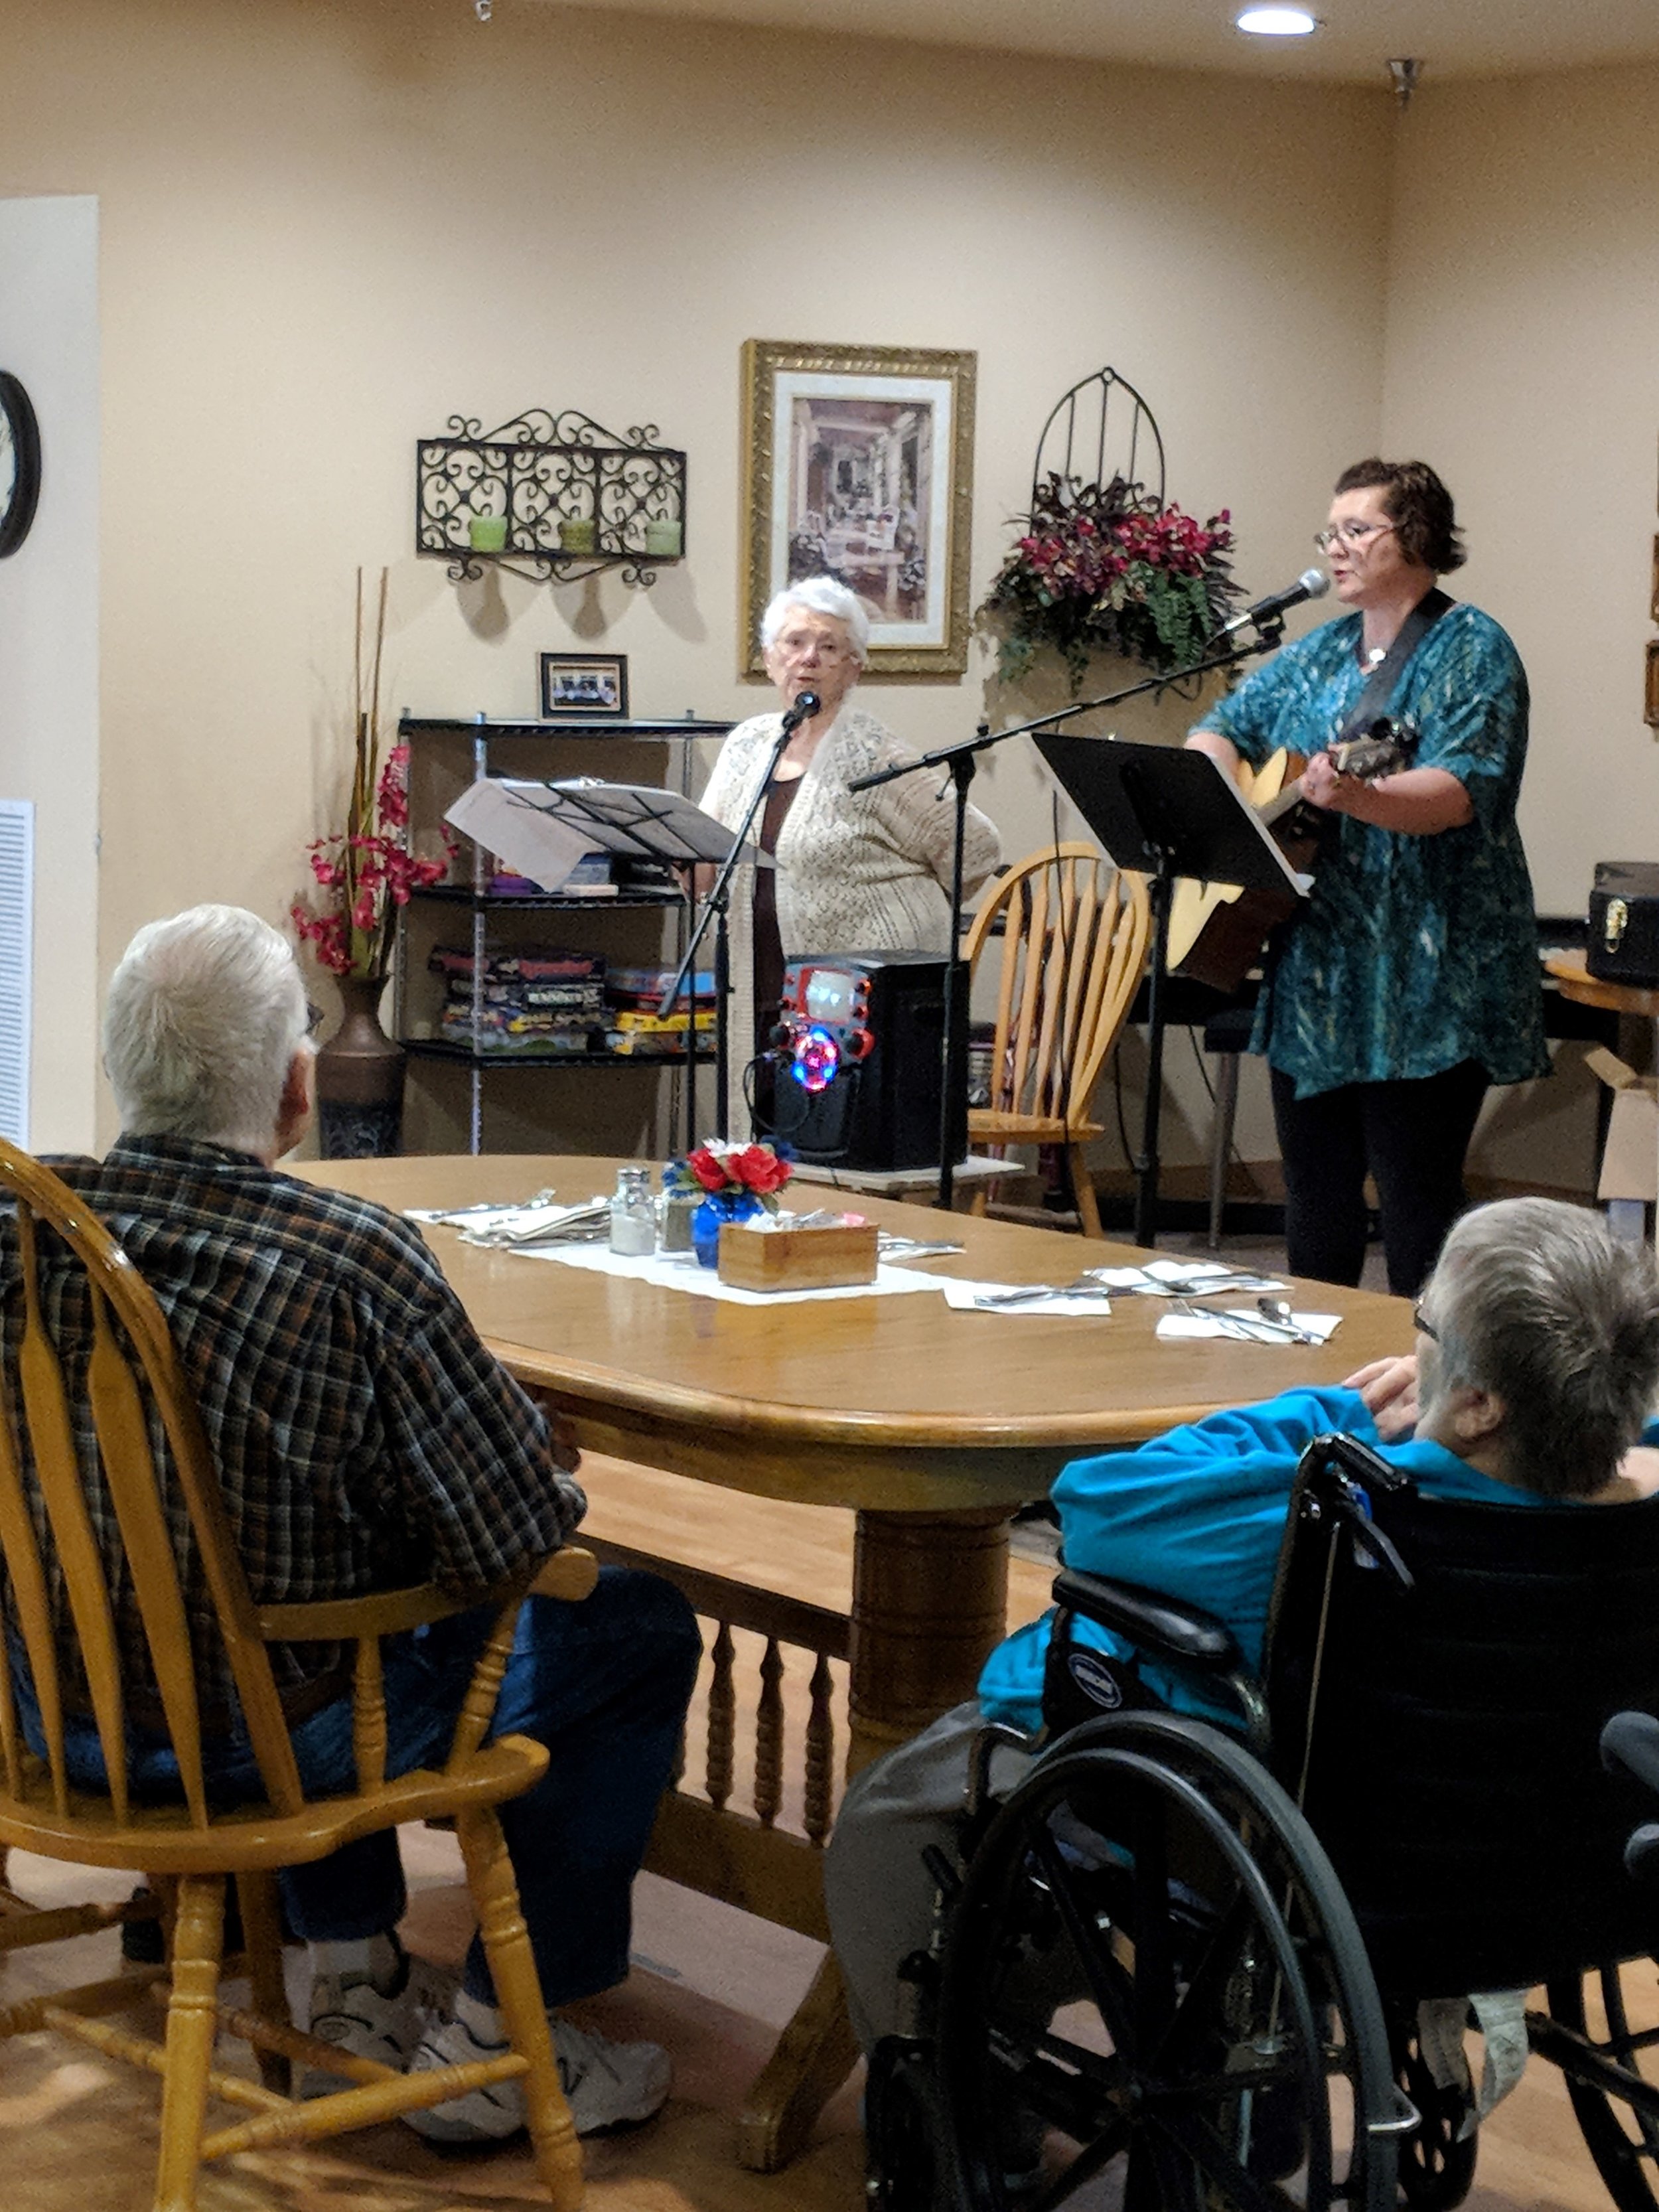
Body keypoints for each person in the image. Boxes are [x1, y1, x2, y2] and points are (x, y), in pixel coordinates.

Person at [0, 905, 701, 2146]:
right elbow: (513, 1546)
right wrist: (530, 1456)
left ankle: (360, 1977)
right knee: (632, 1621)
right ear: (293, 1086)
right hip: (253, 1747)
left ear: (124, 1068)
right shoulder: (351, 1260)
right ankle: (499, 2034)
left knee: (297, 1585)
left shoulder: (23, 1237)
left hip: (49, 1718)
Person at [824, 1197, 1659, 2052]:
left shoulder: (1348, 1506)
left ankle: (962, 2120)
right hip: (1537, 1857)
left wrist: (1330, 1419)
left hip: (1265, 1821)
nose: (1415, 1348)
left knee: (884, 1822)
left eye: (1426, 1326)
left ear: (1480, 1404)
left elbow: (1095, 1508)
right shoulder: (1636, 1512)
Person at [1186, 459, 1548, 1296]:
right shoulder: (1319, 652)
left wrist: (1357, 796)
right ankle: (1318, 1385)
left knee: (1418, 1206)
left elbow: (1461, 792)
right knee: (1313, 1201)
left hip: (1424, 971)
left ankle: (1432, 1393)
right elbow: (1220, 726)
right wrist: (1229, 795)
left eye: (1356, 530)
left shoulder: (1471, 648)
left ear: (1414, 536)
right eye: (1331, 532)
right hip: (1318, 967)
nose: (1335, 549)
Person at [699, 575, 1001, 1124]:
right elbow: (709, 860)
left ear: (854, 667)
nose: (808, 658)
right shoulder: (747, 745)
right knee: (767, 1136)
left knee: (836, 1137)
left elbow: (975, 846)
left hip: (855, 998)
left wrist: (903, 916)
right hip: (761, 980)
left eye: (830, 646)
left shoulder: (872, 753)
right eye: (794, 643)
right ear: (769, 658)